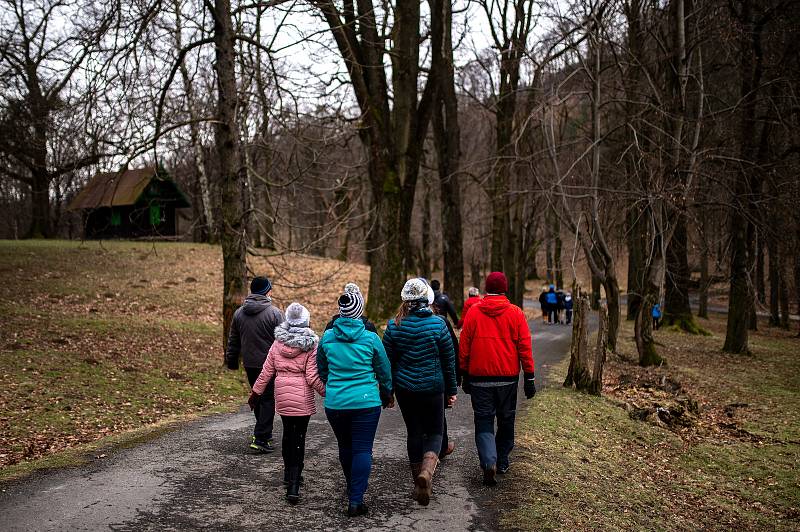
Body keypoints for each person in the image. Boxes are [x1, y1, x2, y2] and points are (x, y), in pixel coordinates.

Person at [317, 284, 393, 518]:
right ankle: (356, 499)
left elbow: (322, 369)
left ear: (340, 313)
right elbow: (384, 369)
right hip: (365, 403)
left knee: (345, 446)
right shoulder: (370, 338)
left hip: (336, 403)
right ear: (359, 312)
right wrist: (387, 393)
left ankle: (353, 487)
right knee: (362, 449)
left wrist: (334, 385)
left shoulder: (327, 337)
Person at [383, 278, 458, 506]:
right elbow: (449, 362)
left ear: (405, 300)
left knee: (414, 432)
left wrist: (388, 392)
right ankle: (427, 473)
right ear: (426, 300)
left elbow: (387, 363)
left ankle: (418, 479)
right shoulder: (438, 325)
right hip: (433, 388)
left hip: (406, 389)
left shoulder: (394, 326)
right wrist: (452, 390)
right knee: (435, 432)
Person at [460, 271, 535, 487]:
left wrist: (463, 373)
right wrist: (529, 376)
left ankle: (488, 461)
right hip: (507, 379)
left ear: (486, 289)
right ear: (504, 289)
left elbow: (464, 346)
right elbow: (524, 347)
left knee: (483, 420)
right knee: (506, 418)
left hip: (479, 378)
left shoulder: (474, 312)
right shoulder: (516, 314)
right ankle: (502, 460)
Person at [248, 303, 325, 504]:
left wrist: (255, 393)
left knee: (287, 434)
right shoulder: (311, 345)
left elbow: (266, 371)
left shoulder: (277, 343)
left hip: (282, 394)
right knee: (299, 437)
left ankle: (287, 474)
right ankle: (294, 483)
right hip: (301, 397)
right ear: (306, 321)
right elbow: (311, 376)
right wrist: (327, 392)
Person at [225, 276, 284, 454]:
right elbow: (283, 340)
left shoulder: (239, 313)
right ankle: (261, 437)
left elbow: (233, 340)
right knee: (267, 400)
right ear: (267, 291)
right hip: (269, 364)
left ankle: (264, 434)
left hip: (250, 364)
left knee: (259, 398)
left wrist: (232, 360)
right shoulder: (274, 313)